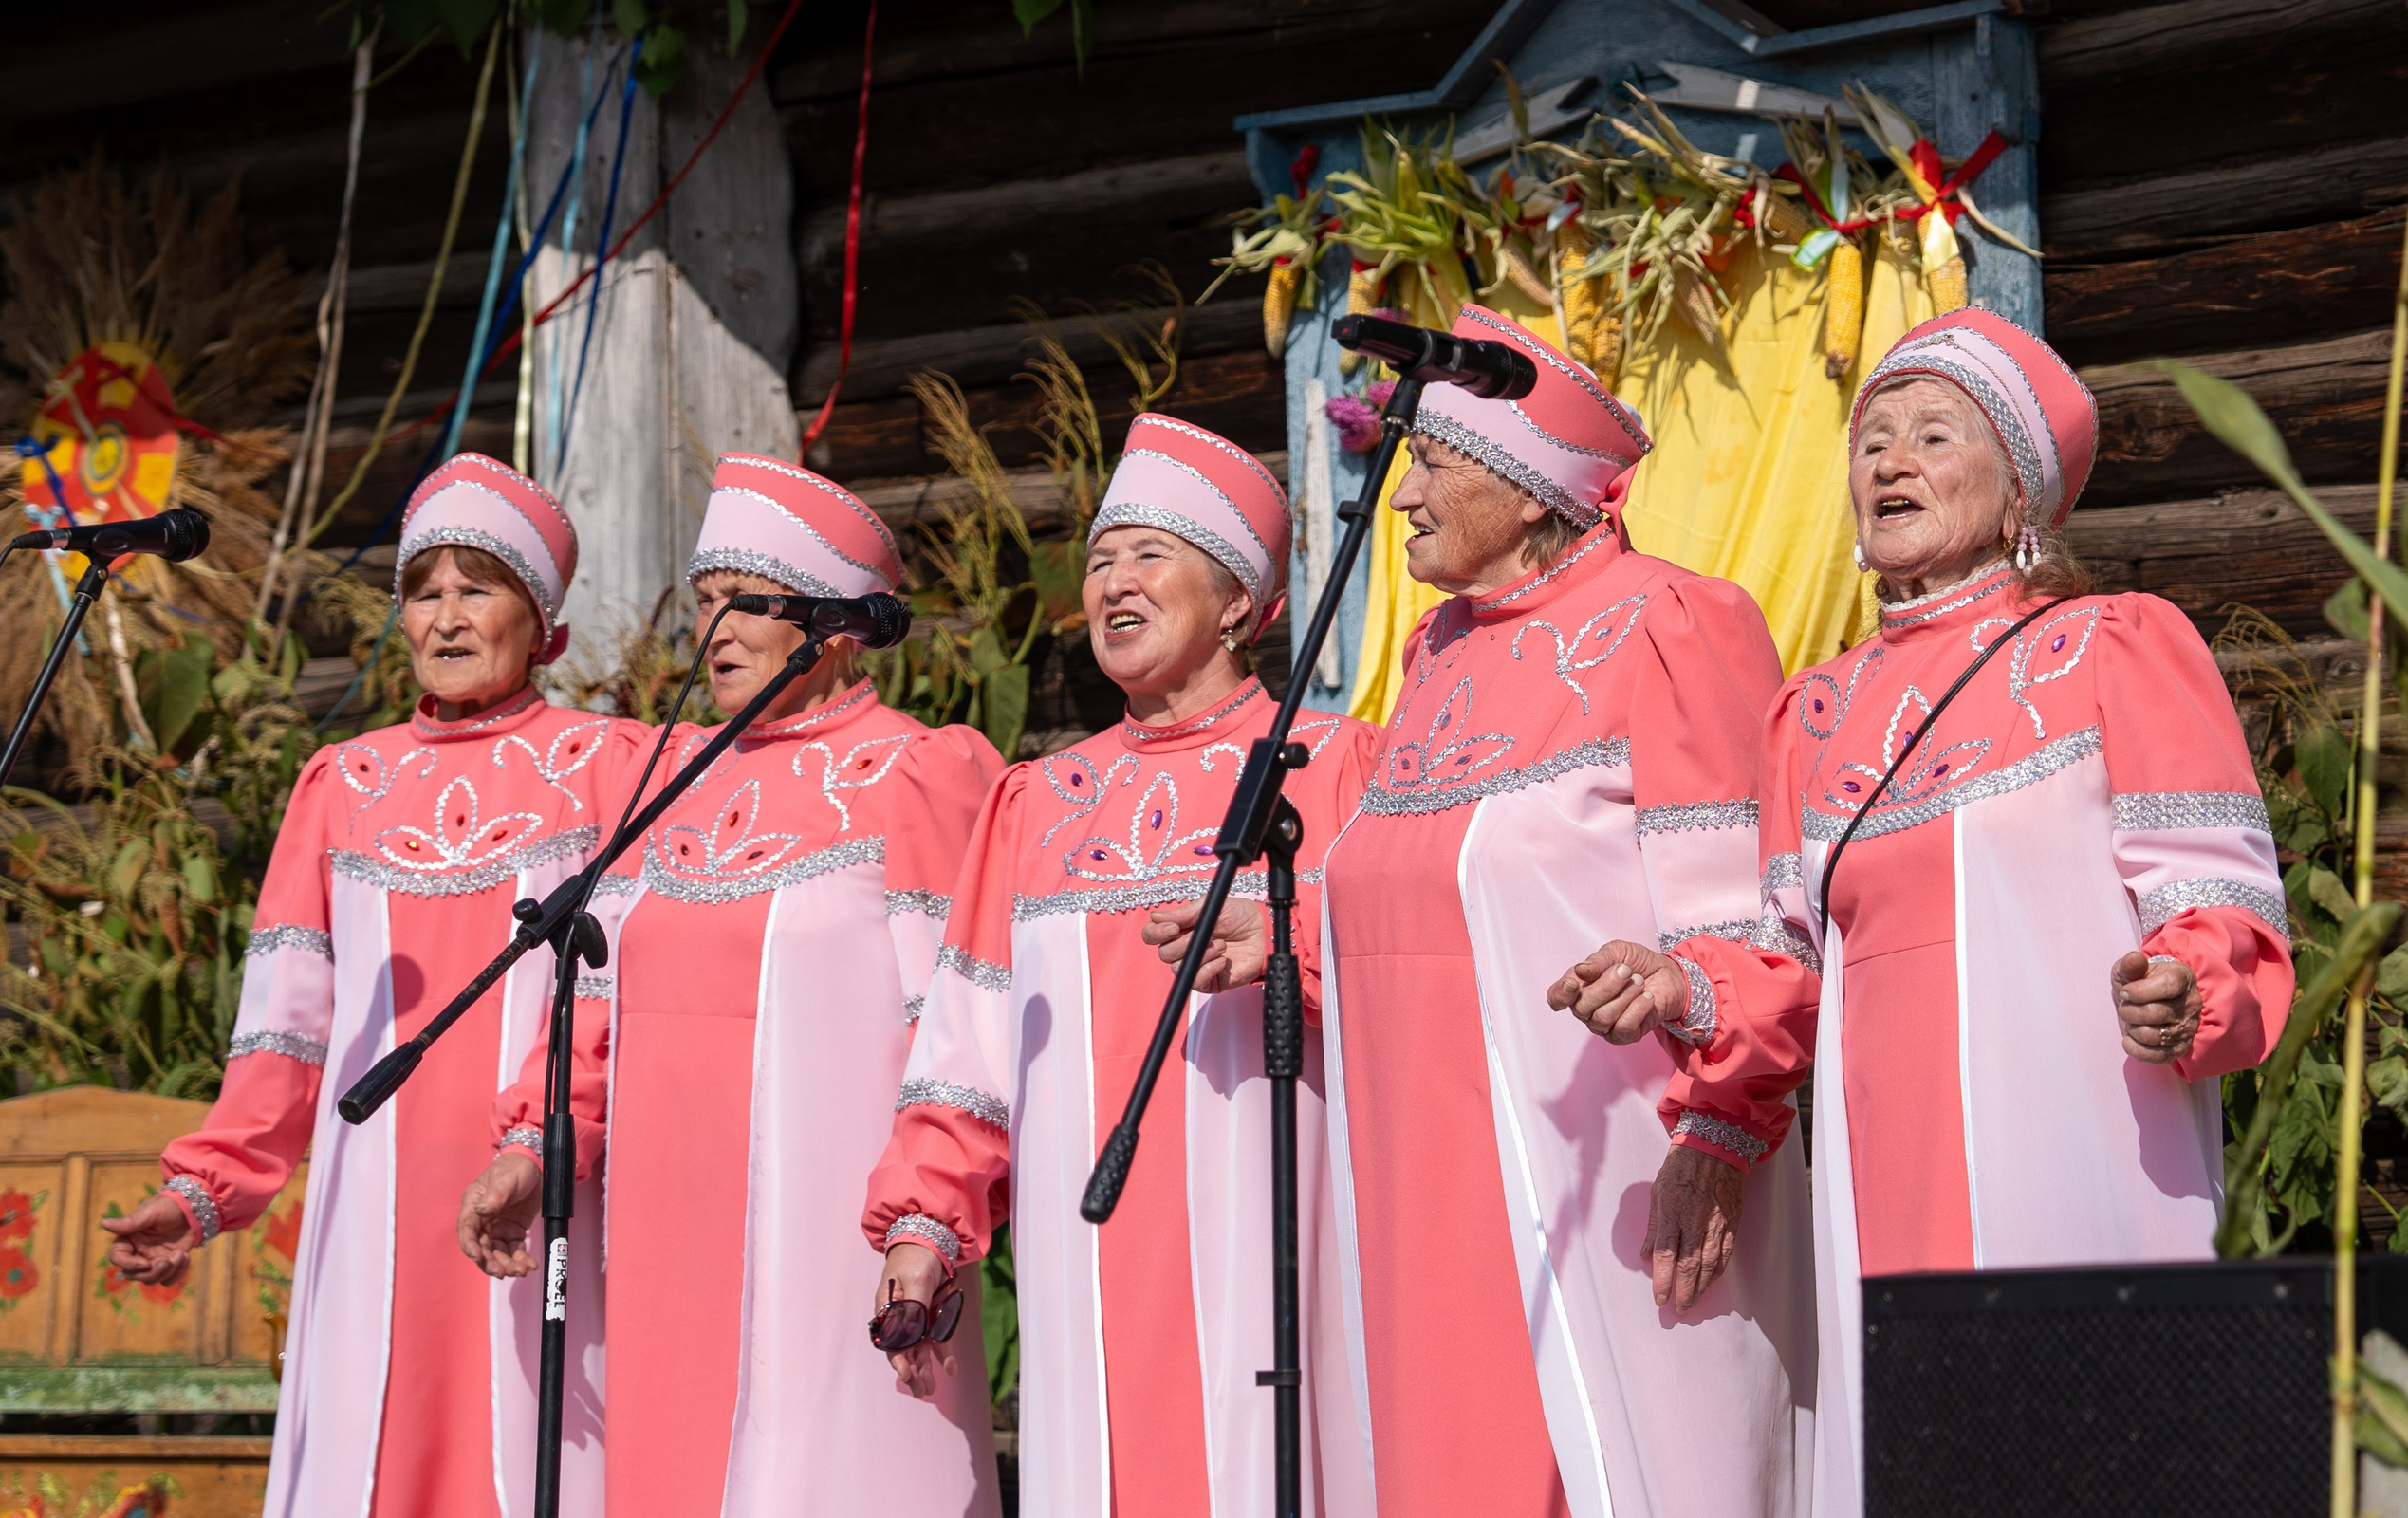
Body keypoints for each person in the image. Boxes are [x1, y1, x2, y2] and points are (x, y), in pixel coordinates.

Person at [1564, 307, 2296, 1516]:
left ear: (2019, 490)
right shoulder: (1811, 714)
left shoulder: (2112, 646)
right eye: (1871, 440)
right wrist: (1681, 988)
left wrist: (2187, 988)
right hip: (1881, 1179)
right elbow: (1786, 966)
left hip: (2080, 1144)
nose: (1888, 460)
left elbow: (2217, 898)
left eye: (1931, 435)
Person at [1193, 305, 1815, 1516]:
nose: (1400, 494)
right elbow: (1439, 912)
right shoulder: (1432, 658)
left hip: (1619, 1181)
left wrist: (1718, 1135)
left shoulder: (1668, 621)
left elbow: (1748, 923)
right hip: (1429, 1189)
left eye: (1427, 459)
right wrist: (1293, 942)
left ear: (1533, 493)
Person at [458, 454, 1002, 1517]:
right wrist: (535, 1145)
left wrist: (925, 1223)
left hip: (838, 1243)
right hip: (663, 1244)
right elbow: (595, 1007)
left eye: (748, 602)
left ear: (838, 624)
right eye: (705, 602)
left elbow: (961, 1028)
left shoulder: (918, 772)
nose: (715, 630)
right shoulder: (662, 781)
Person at [863, 414, 1381, 1516]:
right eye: (1099, 560)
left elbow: (1419, 988)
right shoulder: (1034, 802)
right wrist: (924, 1222)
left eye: (1150, 554)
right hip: (1083, 1261)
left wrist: (1295, 942)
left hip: (1283, 1243)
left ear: (1241, 598)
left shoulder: (1337, 770)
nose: (1112, 583)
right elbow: (965, 1041)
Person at [104, 454, 639, 1518]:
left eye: (476, 585)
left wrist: (539, 1143)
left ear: (540, 621)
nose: (444, 615)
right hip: (368, 1207)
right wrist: (208, 1185)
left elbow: (622, 990)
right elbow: (284, 1032)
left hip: (537, 1192)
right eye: (422, 587)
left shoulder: (607, 764)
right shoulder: (342, 784)